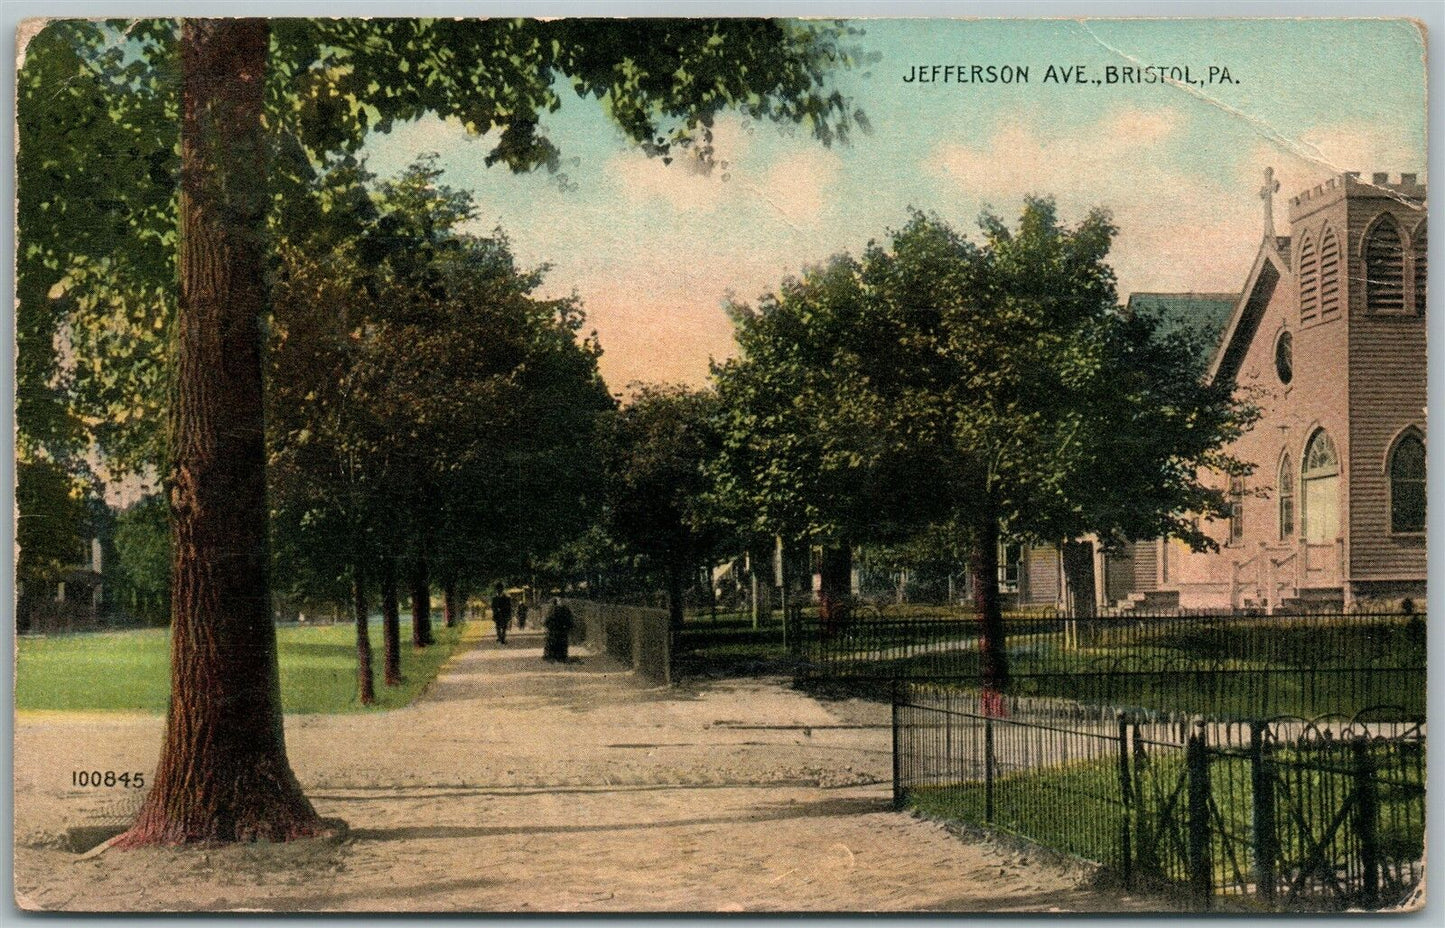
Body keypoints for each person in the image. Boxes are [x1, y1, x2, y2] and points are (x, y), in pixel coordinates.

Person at [543, 598, 574, 662]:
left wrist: (547, 626)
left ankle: (553, 656)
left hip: (554, 629)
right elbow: (570, 619)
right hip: (562, 629)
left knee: (552, 643)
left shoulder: (552, 609)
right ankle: (561, 656)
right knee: (562, 643)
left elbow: (548, 619)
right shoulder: (566, 609)